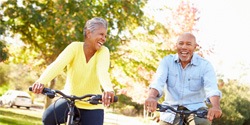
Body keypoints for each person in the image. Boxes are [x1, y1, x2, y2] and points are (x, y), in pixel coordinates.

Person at [31, 17, 115, 125]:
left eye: (105, 36)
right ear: (89, 33)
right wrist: (41, 81)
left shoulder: (103, 51)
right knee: (47, 119)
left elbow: (102, 71)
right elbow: (57, 65)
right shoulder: (74, 47)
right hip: (69, 99)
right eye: (101, 34)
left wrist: (108, 89)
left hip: (93, 104)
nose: (104, 39)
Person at [144, 32, 222, 125]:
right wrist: (152, 97)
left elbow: (212, 88)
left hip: (196, 109)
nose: (184, 47)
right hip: (170, 109)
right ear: (176, 45)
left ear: (195, 47)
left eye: (188, 44)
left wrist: (216, 106)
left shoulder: (205, 65)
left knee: (203, 123)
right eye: (181, 43)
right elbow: (158, 82)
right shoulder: (167, 62)